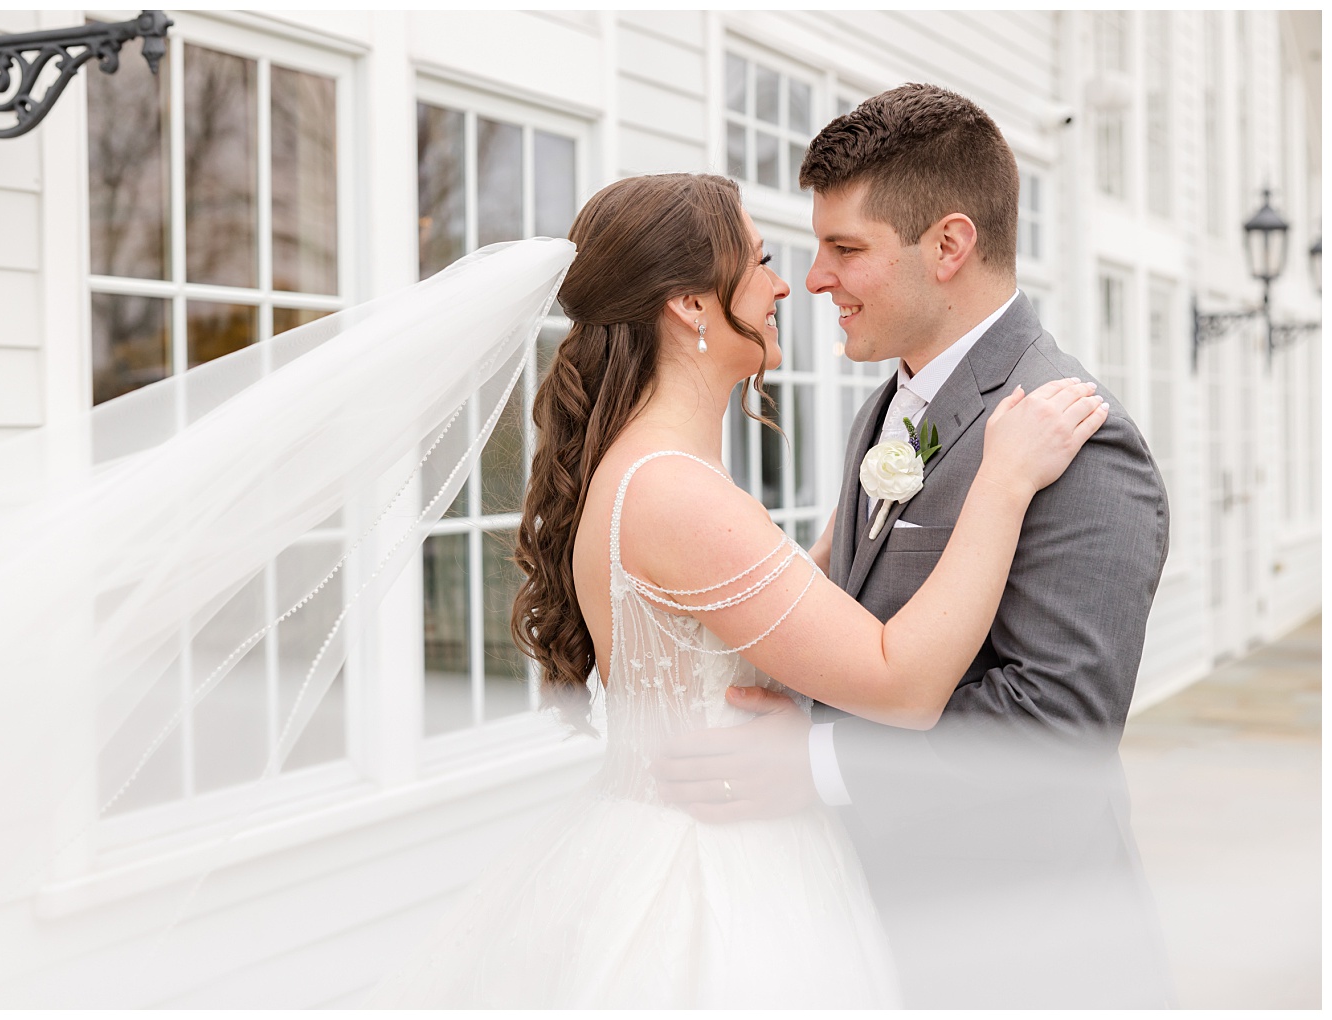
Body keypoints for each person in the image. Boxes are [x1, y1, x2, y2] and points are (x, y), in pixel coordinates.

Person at [370, 170, 1109, 1007]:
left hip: (666, 831)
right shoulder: (673, 491)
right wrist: (1003, 483)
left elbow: (775, 610)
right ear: (690, 304)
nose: (785, 282)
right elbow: (901, 684)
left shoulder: (650, 470)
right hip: (713, 878)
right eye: (758, 260)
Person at [654, 84, 1173, 1007]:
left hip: (1020, 953)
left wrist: (813, 766)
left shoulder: (1076, 438)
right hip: (880, 932)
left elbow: (1056, 730)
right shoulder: (889, 404)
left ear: (949, 245)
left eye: (846, 250)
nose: (814, 279)